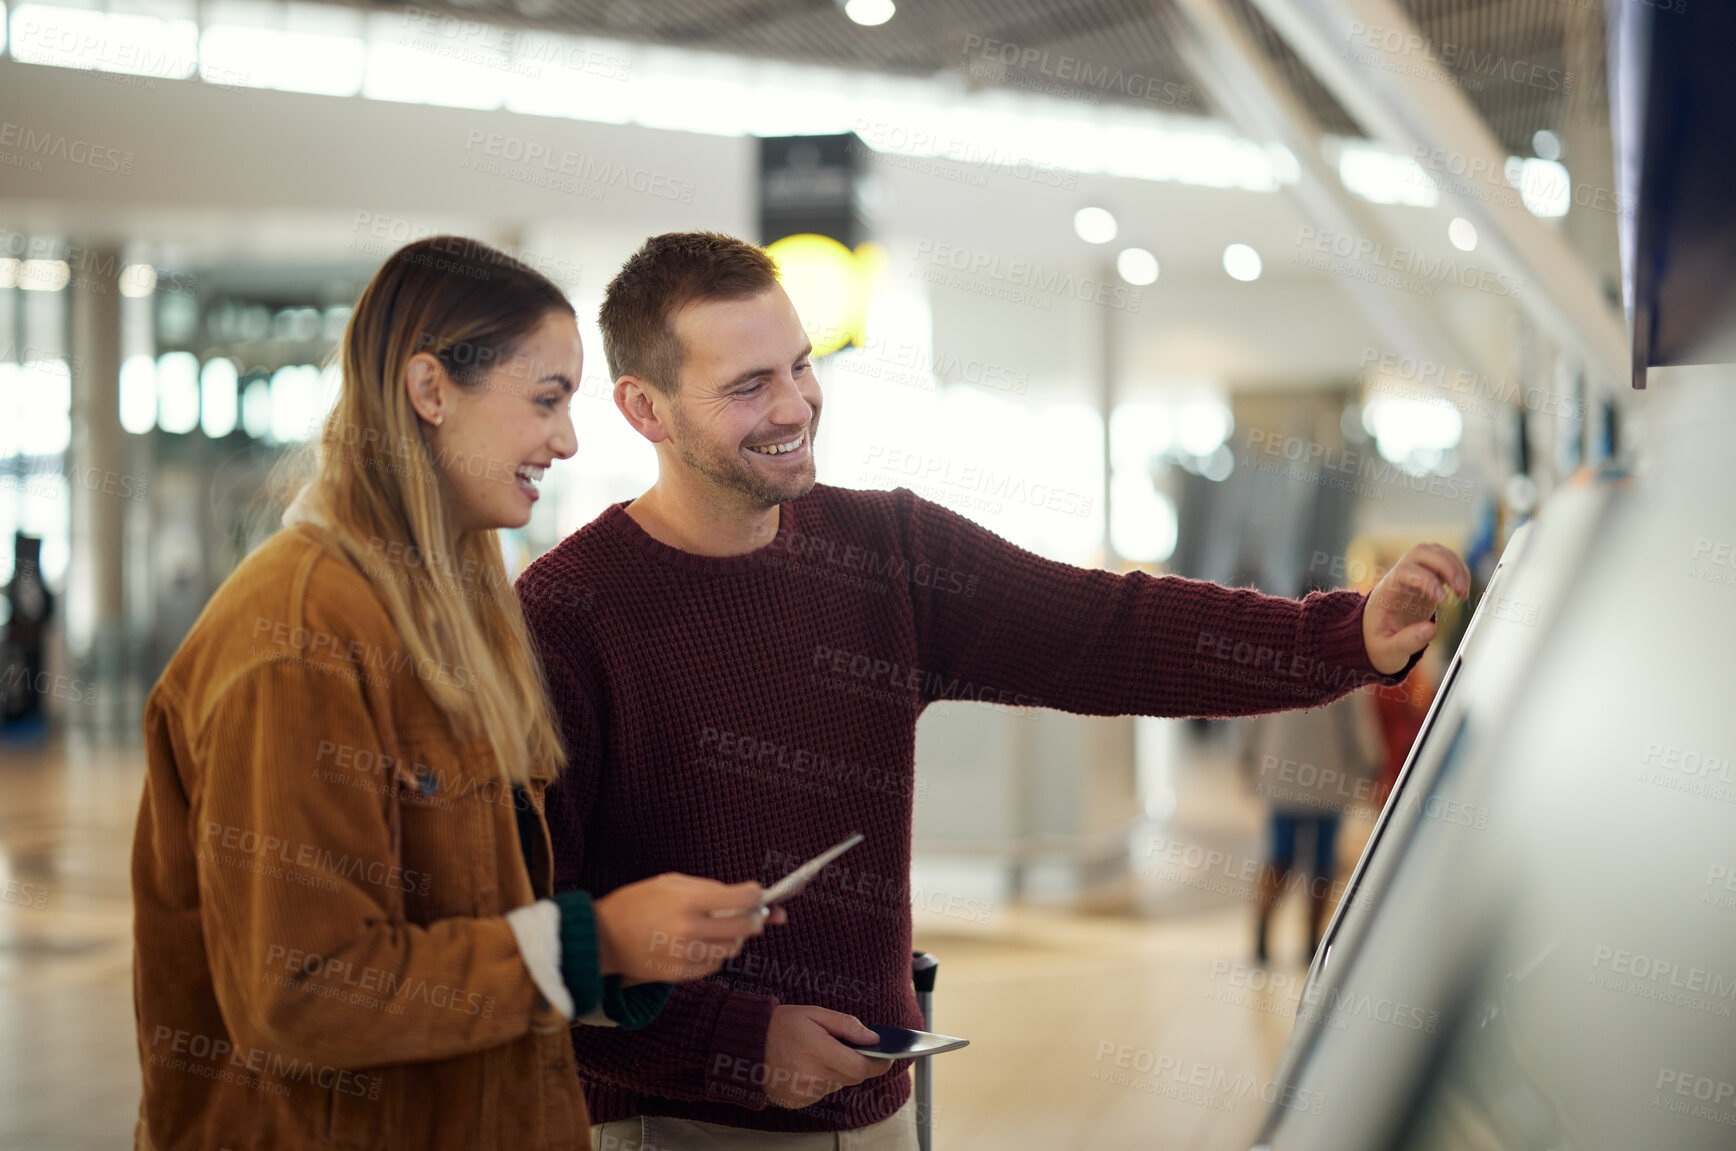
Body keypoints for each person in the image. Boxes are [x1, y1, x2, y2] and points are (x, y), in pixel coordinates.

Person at [515, 232, 1471, 1150]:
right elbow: (528, 947)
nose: (795, 406)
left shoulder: (887, 550)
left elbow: (1110, 628)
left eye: (802, 366)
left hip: (880, 1109)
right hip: (676, 1126)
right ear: (644, 408)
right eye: (747, 385)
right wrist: (735, 1044)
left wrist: (1344, 637)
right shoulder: (565, 616)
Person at [131, 237, 778, 1151]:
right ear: (431, 390)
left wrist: (628, 952)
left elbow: (463, 918)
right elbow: (301, 992)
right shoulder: (298, 636)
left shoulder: (446, 614)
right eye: (546, 399)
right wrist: (594, 943)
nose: (567, 438)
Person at [1240, 687, 1384, 964]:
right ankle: (1311, 943)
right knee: (1322, 863)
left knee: (1279, 857)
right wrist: (1369, 765)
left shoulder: (1276, 659)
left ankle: (1262, 935)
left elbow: (1253, 715)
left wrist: (1248, 758)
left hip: (1282, 774)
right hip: (1328, 778)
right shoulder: (1345, 667)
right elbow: (1357, 724)